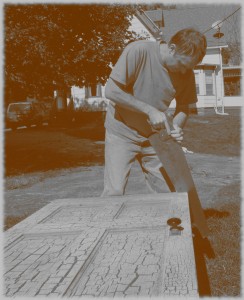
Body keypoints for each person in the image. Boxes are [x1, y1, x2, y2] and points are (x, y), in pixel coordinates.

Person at [101, 28, 207, 197]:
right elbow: (111, 91)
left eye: (189, 67)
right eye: (181, 64)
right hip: (121, 131)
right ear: (171, 48)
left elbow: (183, 108)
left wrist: (176, 128)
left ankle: (165, 224)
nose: (183, 72)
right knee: (114, 191)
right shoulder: (139, 51)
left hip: (155, 138)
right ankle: (105, 223)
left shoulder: (187, 72)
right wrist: (149, 110)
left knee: (166, 193)